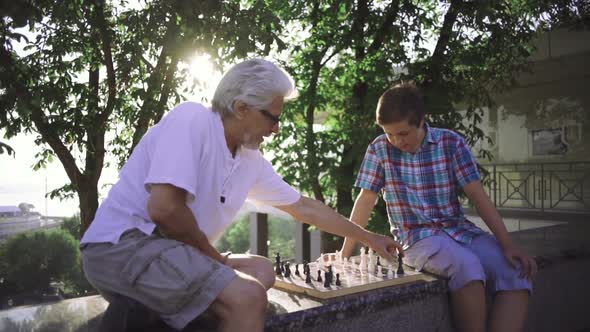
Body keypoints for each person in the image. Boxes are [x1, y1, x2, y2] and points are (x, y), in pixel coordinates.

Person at [80, 58, 403, 332]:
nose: (276, 128)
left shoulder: (249, 159)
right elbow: (164, 210)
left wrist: (368, 238)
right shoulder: (192, 119)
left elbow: (305, 207)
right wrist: (216, 259)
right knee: (247, 296)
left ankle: (151, 312)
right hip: (122, 247)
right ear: (241, 107)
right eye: (272, 117)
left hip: (172, 251)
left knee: (262, 270)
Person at [340, 83, 537, 332]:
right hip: (417, 238)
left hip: (459, 231)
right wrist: (345, 253)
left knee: (516, 271)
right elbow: (366, 200)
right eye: (389, 134)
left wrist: (507, 244)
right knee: (467, 267)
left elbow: (478, 196)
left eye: (403, 133)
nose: (396, 141)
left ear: (422, 120)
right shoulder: (379, 149)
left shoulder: (451, 143)